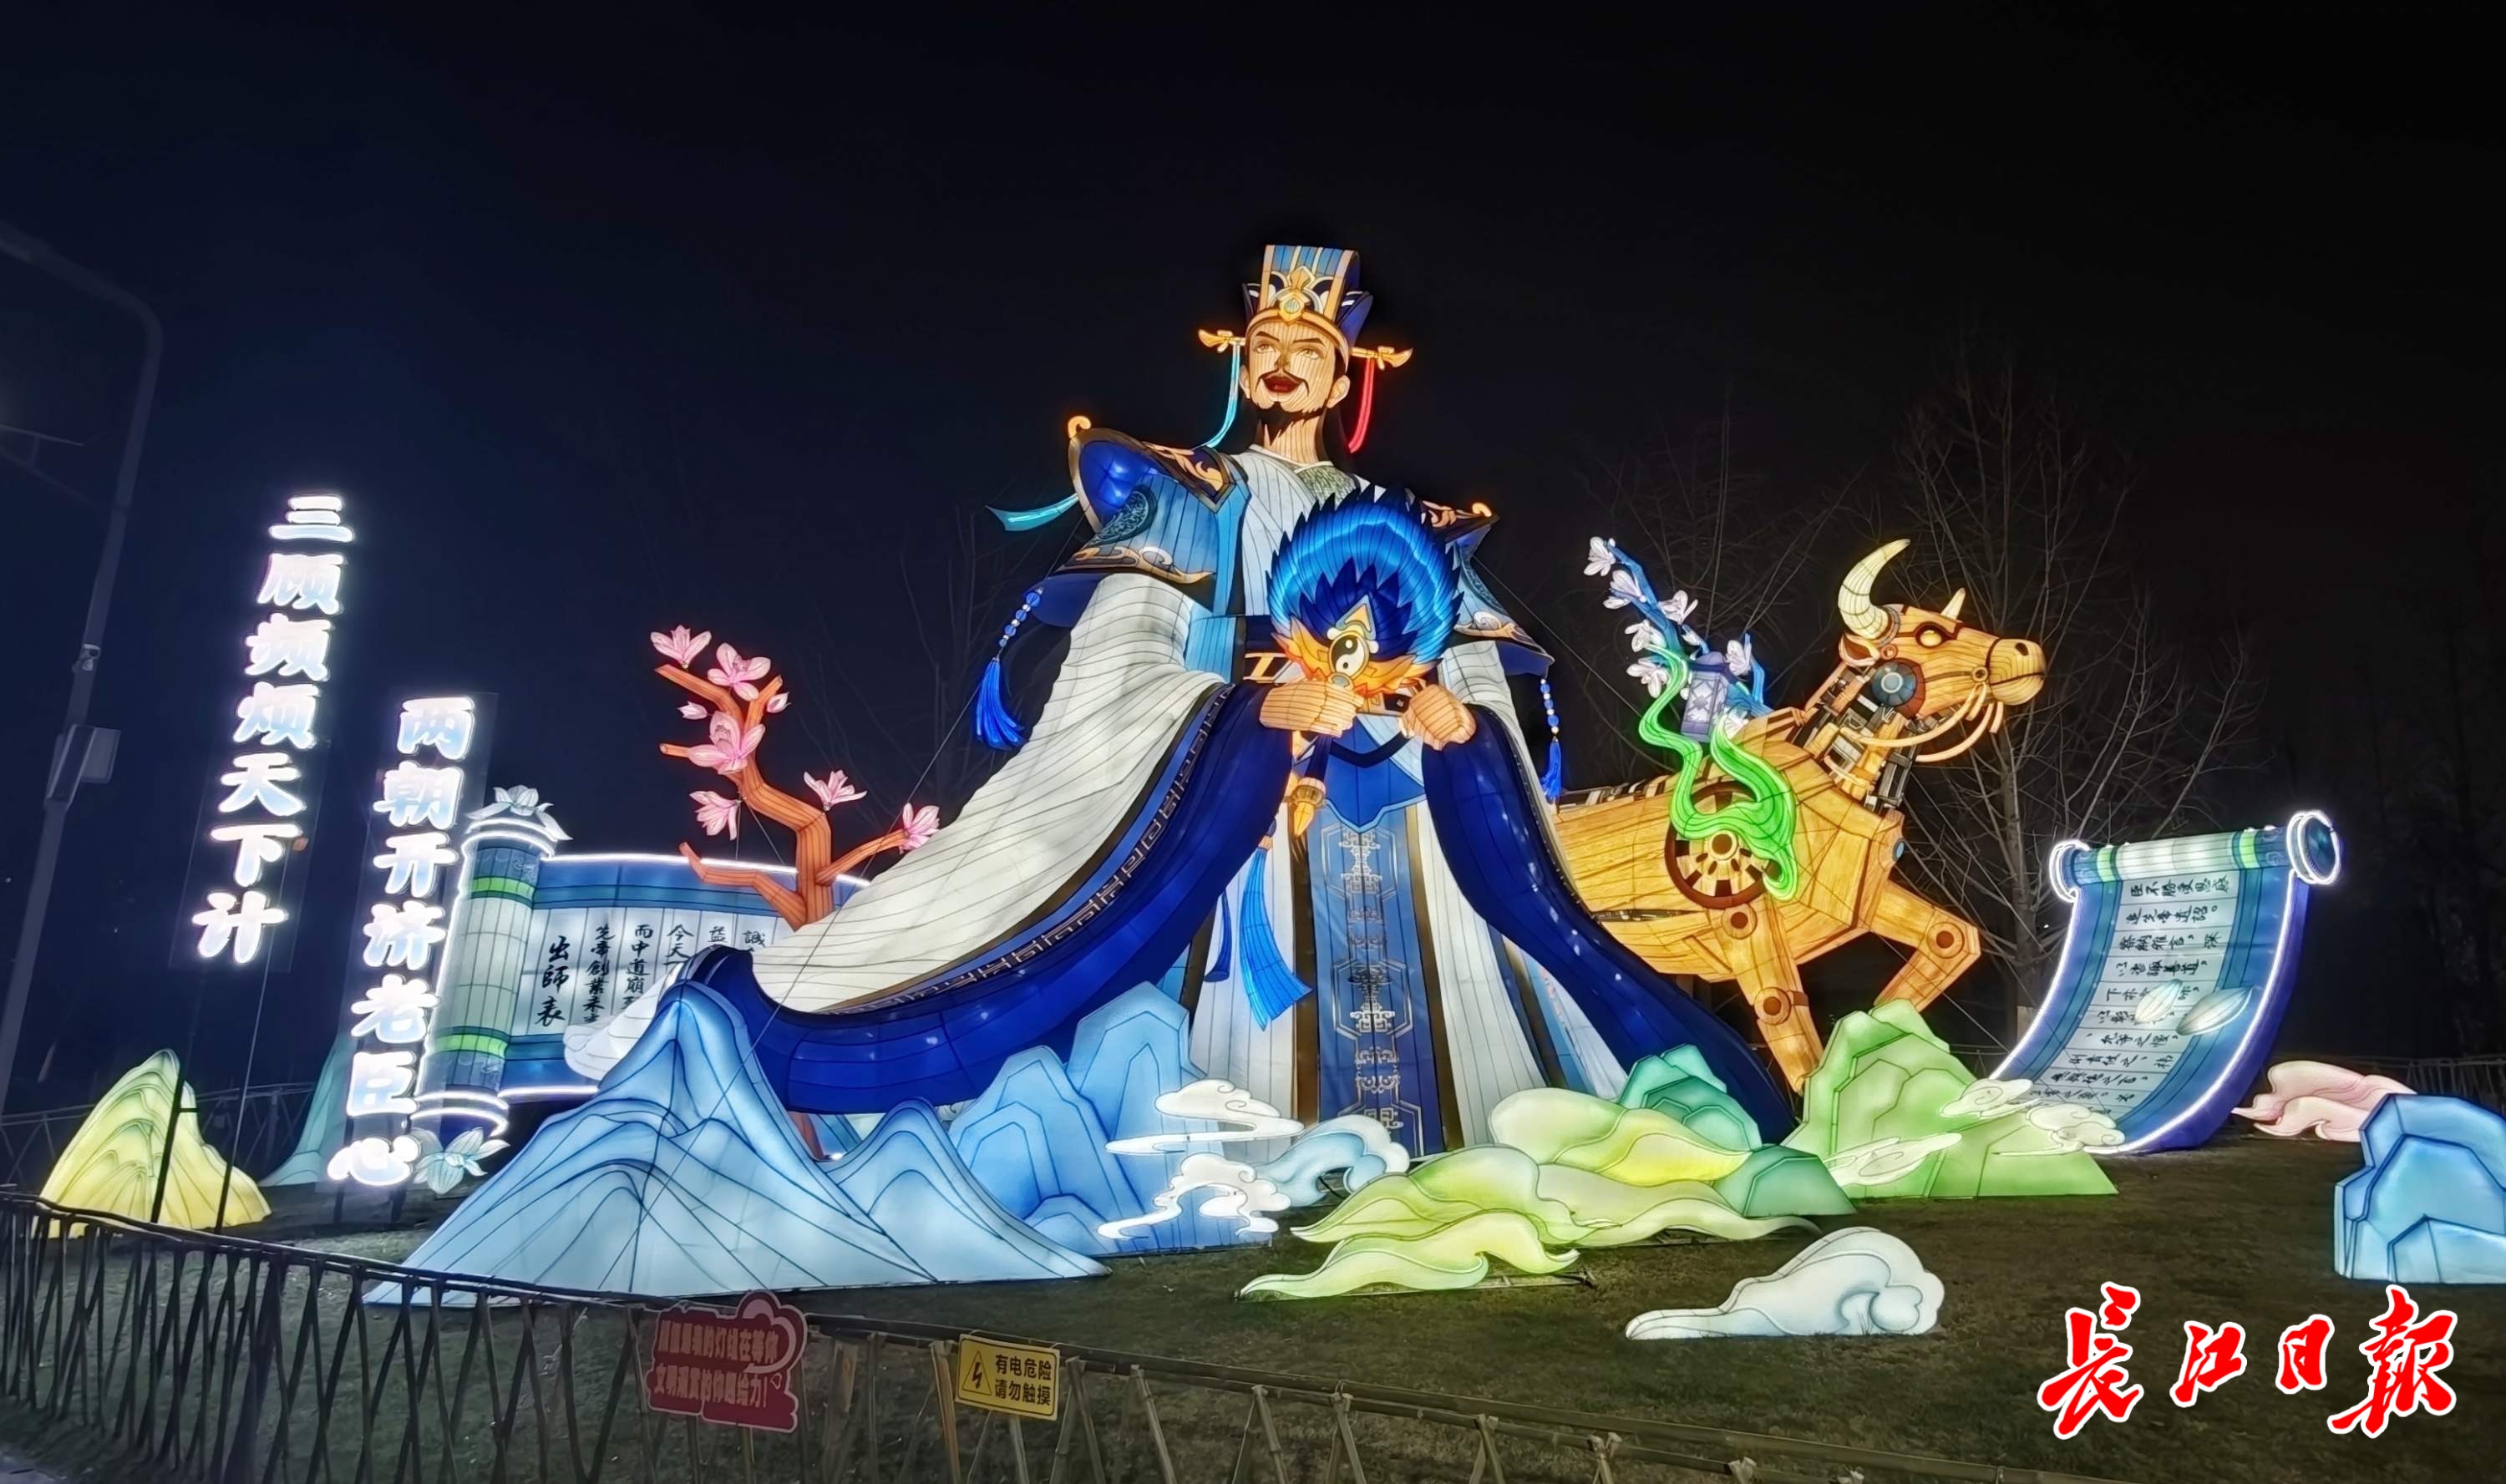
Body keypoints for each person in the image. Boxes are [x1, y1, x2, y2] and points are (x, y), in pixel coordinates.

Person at [678, 246, 1790, 1147]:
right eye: (1265, 345)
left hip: (1411, 829)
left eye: (1309, 348)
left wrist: (1461, 719)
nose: (1283, 363)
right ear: (1242, 368)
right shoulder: (1193, 494)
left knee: (1471, 1033)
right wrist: (1244, 716)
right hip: (1236, 817)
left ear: (1347, 376)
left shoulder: (1416, 522)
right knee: (1213, 1045)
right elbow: (1120, 661)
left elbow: (1469, 671)